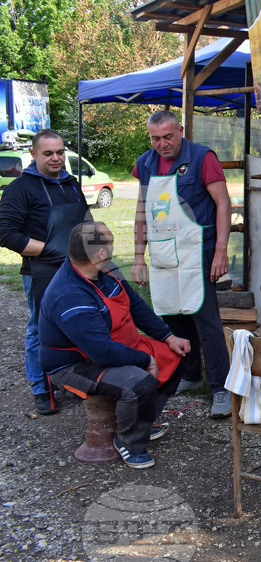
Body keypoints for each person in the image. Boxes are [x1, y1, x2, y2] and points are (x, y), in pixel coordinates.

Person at [39, 222, 190, 469]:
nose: (113, 245)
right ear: (100, 253)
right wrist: (146, 360)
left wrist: (168, 337)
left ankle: (144, 419)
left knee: (178, 354)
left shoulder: (106, 270)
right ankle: (129, 443)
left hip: (113, 348)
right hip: (75, 364)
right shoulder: (69, 295)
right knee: (138, 382)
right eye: (110, 241)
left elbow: (136, 306)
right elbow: (101, 352)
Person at [131, 111, 233, 418]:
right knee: (174, 317)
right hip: (163, 252)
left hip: (197, 251)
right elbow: (141, 208)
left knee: (206, 321)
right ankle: (189, 375)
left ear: (181, 131)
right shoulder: (145, 164)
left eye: (168, 137)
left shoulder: (203, 158)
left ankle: (221, 388)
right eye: (155, 138)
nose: (162, 144)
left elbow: (223, 203)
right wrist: (138, 256)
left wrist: (221, 251)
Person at [0, 129, 91, 415]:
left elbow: (86, 221)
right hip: (41, 271)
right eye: (48, 153)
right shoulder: (21, 188)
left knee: (78, 324)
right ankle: (42, 388)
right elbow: (6, 234)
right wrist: (54, 251)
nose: (56, 158)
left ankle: (72, 380)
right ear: (34, 154)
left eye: (60, 152)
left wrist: (96, 251)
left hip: (79, 270)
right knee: (41, 330)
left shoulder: (71, 183)